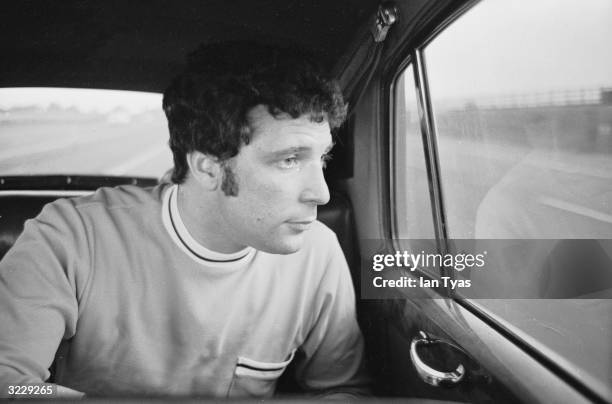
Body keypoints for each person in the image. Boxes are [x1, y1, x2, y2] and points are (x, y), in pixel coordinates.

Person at [0, 42, 369, 398]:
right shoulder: (72, 236)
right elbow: (11, 383)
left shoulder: (317, 253)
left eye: (321, 159)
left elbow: (341, 390)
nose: (321, 193)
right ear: (207, 167)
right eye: (290, 159)